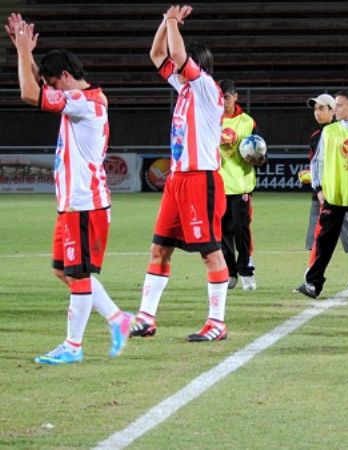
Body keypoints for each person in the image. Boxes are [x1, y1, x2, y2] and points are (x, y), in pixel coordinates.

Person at [5, 13, 133, 364]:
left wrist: (20, 50)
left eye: (53, 83)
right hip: (73, 203)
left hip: (85, 203)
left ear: (65, 77)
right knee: (64, 270)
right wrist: (26, 50)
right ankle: (118, 318)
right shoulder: (79, 99)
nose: (52, 91)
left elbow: (30, 94)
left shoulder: (85, 103)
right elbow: (38, 87)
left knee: (78, 274)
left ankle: (73, 347)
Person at [129, 5, 229, 342]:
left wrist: (173, 22)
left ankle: (217, 322)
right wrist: (163, 21)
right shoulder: (184, 88)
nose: (175, 67)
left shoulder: (204, 86)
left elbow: (174, 52)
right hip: (177, 180)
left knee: (209, 251)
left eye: (183, 63)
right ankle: (146, 317)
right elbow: (157, 53)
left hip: (201, 179)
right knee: (159, 248)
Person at [295, 89, 348, 299]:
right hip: (334, 196)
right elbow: (317, 164)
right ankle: (313, 283)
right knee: (324, 242)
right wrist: (318, 188)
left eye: (339, 105)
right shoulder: (329, 132)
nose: (335, 110)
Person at [219, 79, 263, 291]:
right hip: (218, 184)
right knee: (221, 231)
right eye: (220, 97)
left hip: (241, 185)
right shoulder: (211, 119)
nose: (223, 101)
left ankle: (246, 271)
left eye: (226, 97)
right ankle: (230, 273)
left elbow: (260, 150)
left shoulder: (247, 122)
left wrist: (258, 158)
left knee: (240, 229)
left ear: (235, 97)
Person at [305, 93, 348, 254]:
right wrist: (315, 182)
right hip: (319, 193)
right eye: (315, 109)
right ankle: (312, 274)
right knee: (315, 242)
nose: (317, 113)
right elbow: (315, 163)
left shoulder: (343, 132)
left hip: (339, 192)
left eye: (321, 108)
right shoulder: (315, 136)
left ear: (333, 111)